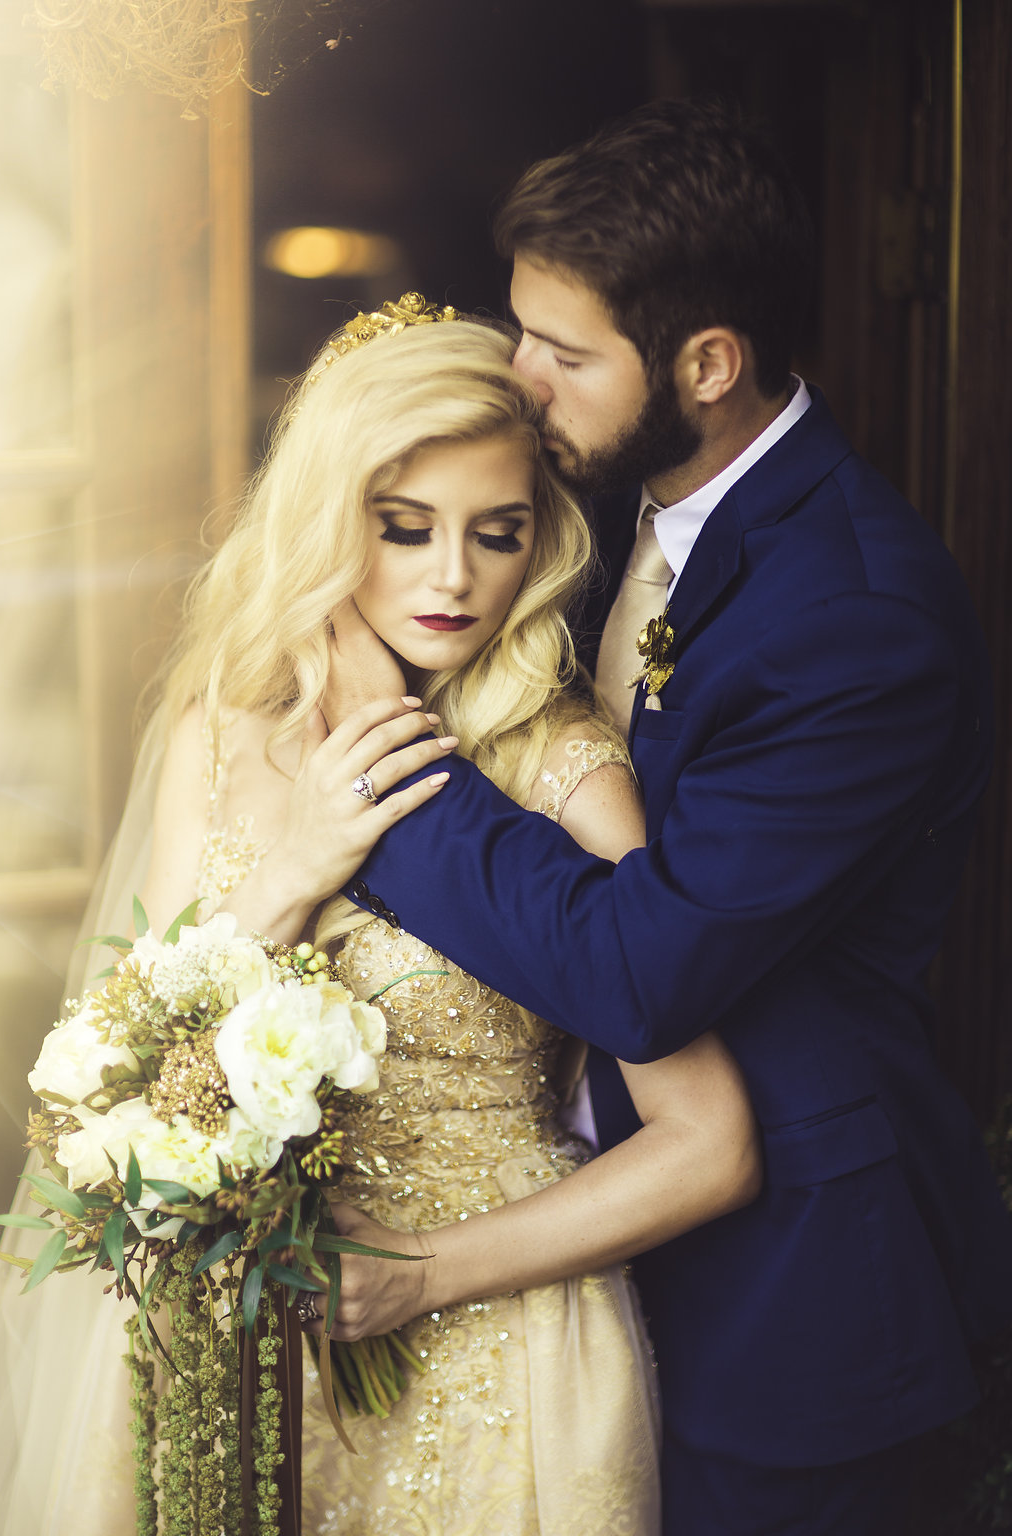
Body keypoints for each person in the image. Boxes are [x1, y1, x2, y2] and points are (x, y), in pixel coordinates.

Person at [298, 104, 1012, 1535]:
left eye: (563, 355)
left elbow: (647, 967)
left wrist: (382, 754)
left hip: (789, 1298)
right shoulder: (612, 498)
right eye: (522, 331)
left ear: (707, 366)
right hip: (585, 1269)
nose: (522, 381)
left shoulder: (858, 618)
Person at [0, 299, 762, 1536]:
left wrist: (422, 1276)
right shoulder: (223, 736)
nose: (452, 579)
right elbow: (117, 1074)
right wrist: (296, 865)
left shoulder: (566, 769)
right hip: (239, 1336)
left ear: (540, 542)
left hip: (500, 1352)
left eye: (496, 534)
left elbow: (711, 1143)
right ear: (331, 524)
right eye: (404, 531)